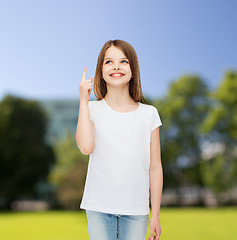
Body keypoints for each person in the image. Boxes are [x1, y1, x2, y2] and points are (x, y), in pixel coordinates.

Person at [76, 39, 163, 240]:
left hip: (136, 210)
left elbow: (155, 167)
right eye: (109, 62)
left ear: (133, 69)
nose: (116, 66)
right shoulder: (92, 109)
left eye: (123, 61)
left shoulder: (149, 114)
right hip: (98, 207)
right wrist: (83, 99)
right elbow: (86, 147)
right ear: (100, 70)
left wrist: (155, 214)